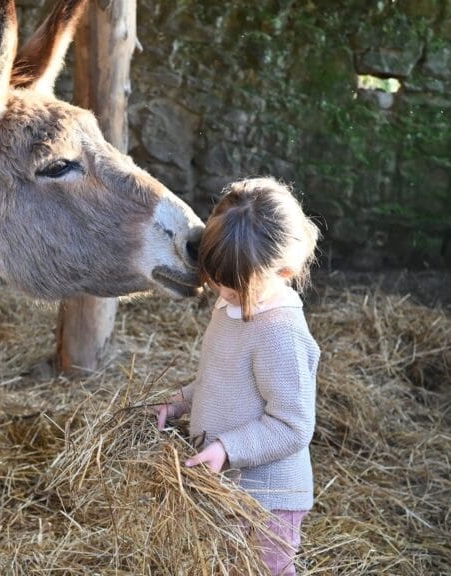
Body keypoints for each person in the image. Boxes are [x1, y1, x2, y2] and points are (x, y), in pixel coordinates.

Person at [155, 177, 321, 576]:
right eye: (217, 285)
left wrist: (227, 449)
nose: (222, 295)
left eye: (233, 291)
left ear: (283, 270)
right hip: (229, 486)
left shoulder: (281, 334)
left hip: (269, 498)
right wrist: (181, 402)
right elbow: (221, 379)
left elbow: (292, 425)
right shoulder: (230, 307)